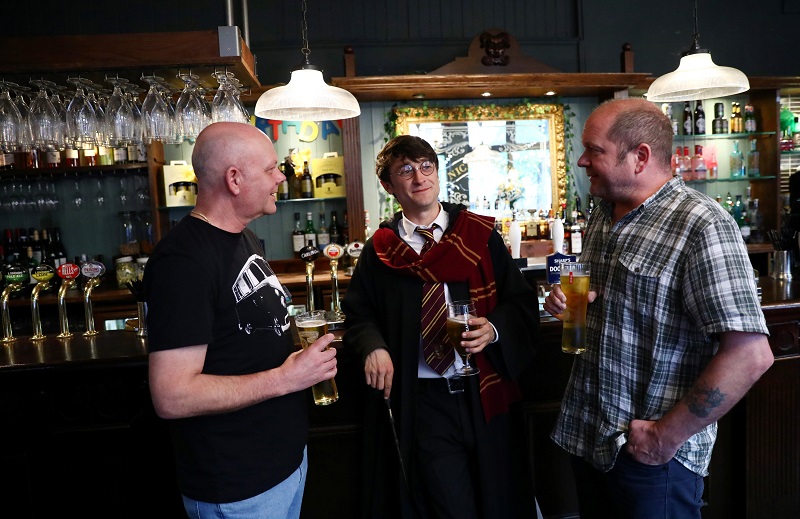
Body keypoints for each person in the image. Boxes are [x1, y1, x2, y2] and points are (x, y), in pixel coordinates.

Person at [543, 98, 774, 518]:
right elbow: (605, 299)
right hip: (589, 436)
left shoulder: (702, 223)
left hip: (651, 458)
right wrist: (570, 302)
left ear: (640, 157)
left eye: (594, 150)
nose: (580, 161)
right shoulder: (602, 211)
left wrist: (665, 437)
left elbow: (751, 354)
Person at [144, 122, 337, 519]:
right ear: (234, 179)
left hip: (280, 464)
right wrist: (286, 378)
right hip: (237, 486)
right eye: (269, 169)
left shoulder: (243, 235)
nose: (281, 176)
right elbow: (172, 395)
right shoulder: (183, 262)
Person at [341, 135, 539, 518]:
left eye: (426, 166)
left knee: (498, 499)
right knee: (451, 507)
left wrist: (494, 329)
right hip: (424, 400)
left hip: (483, 391)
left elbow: (520, 301)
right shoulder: (381, 249)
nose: (420, 177)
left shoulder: (479, 236)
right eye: (406, 170)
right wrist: (373, 346)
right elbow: (359, 314)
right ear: (388, 185)